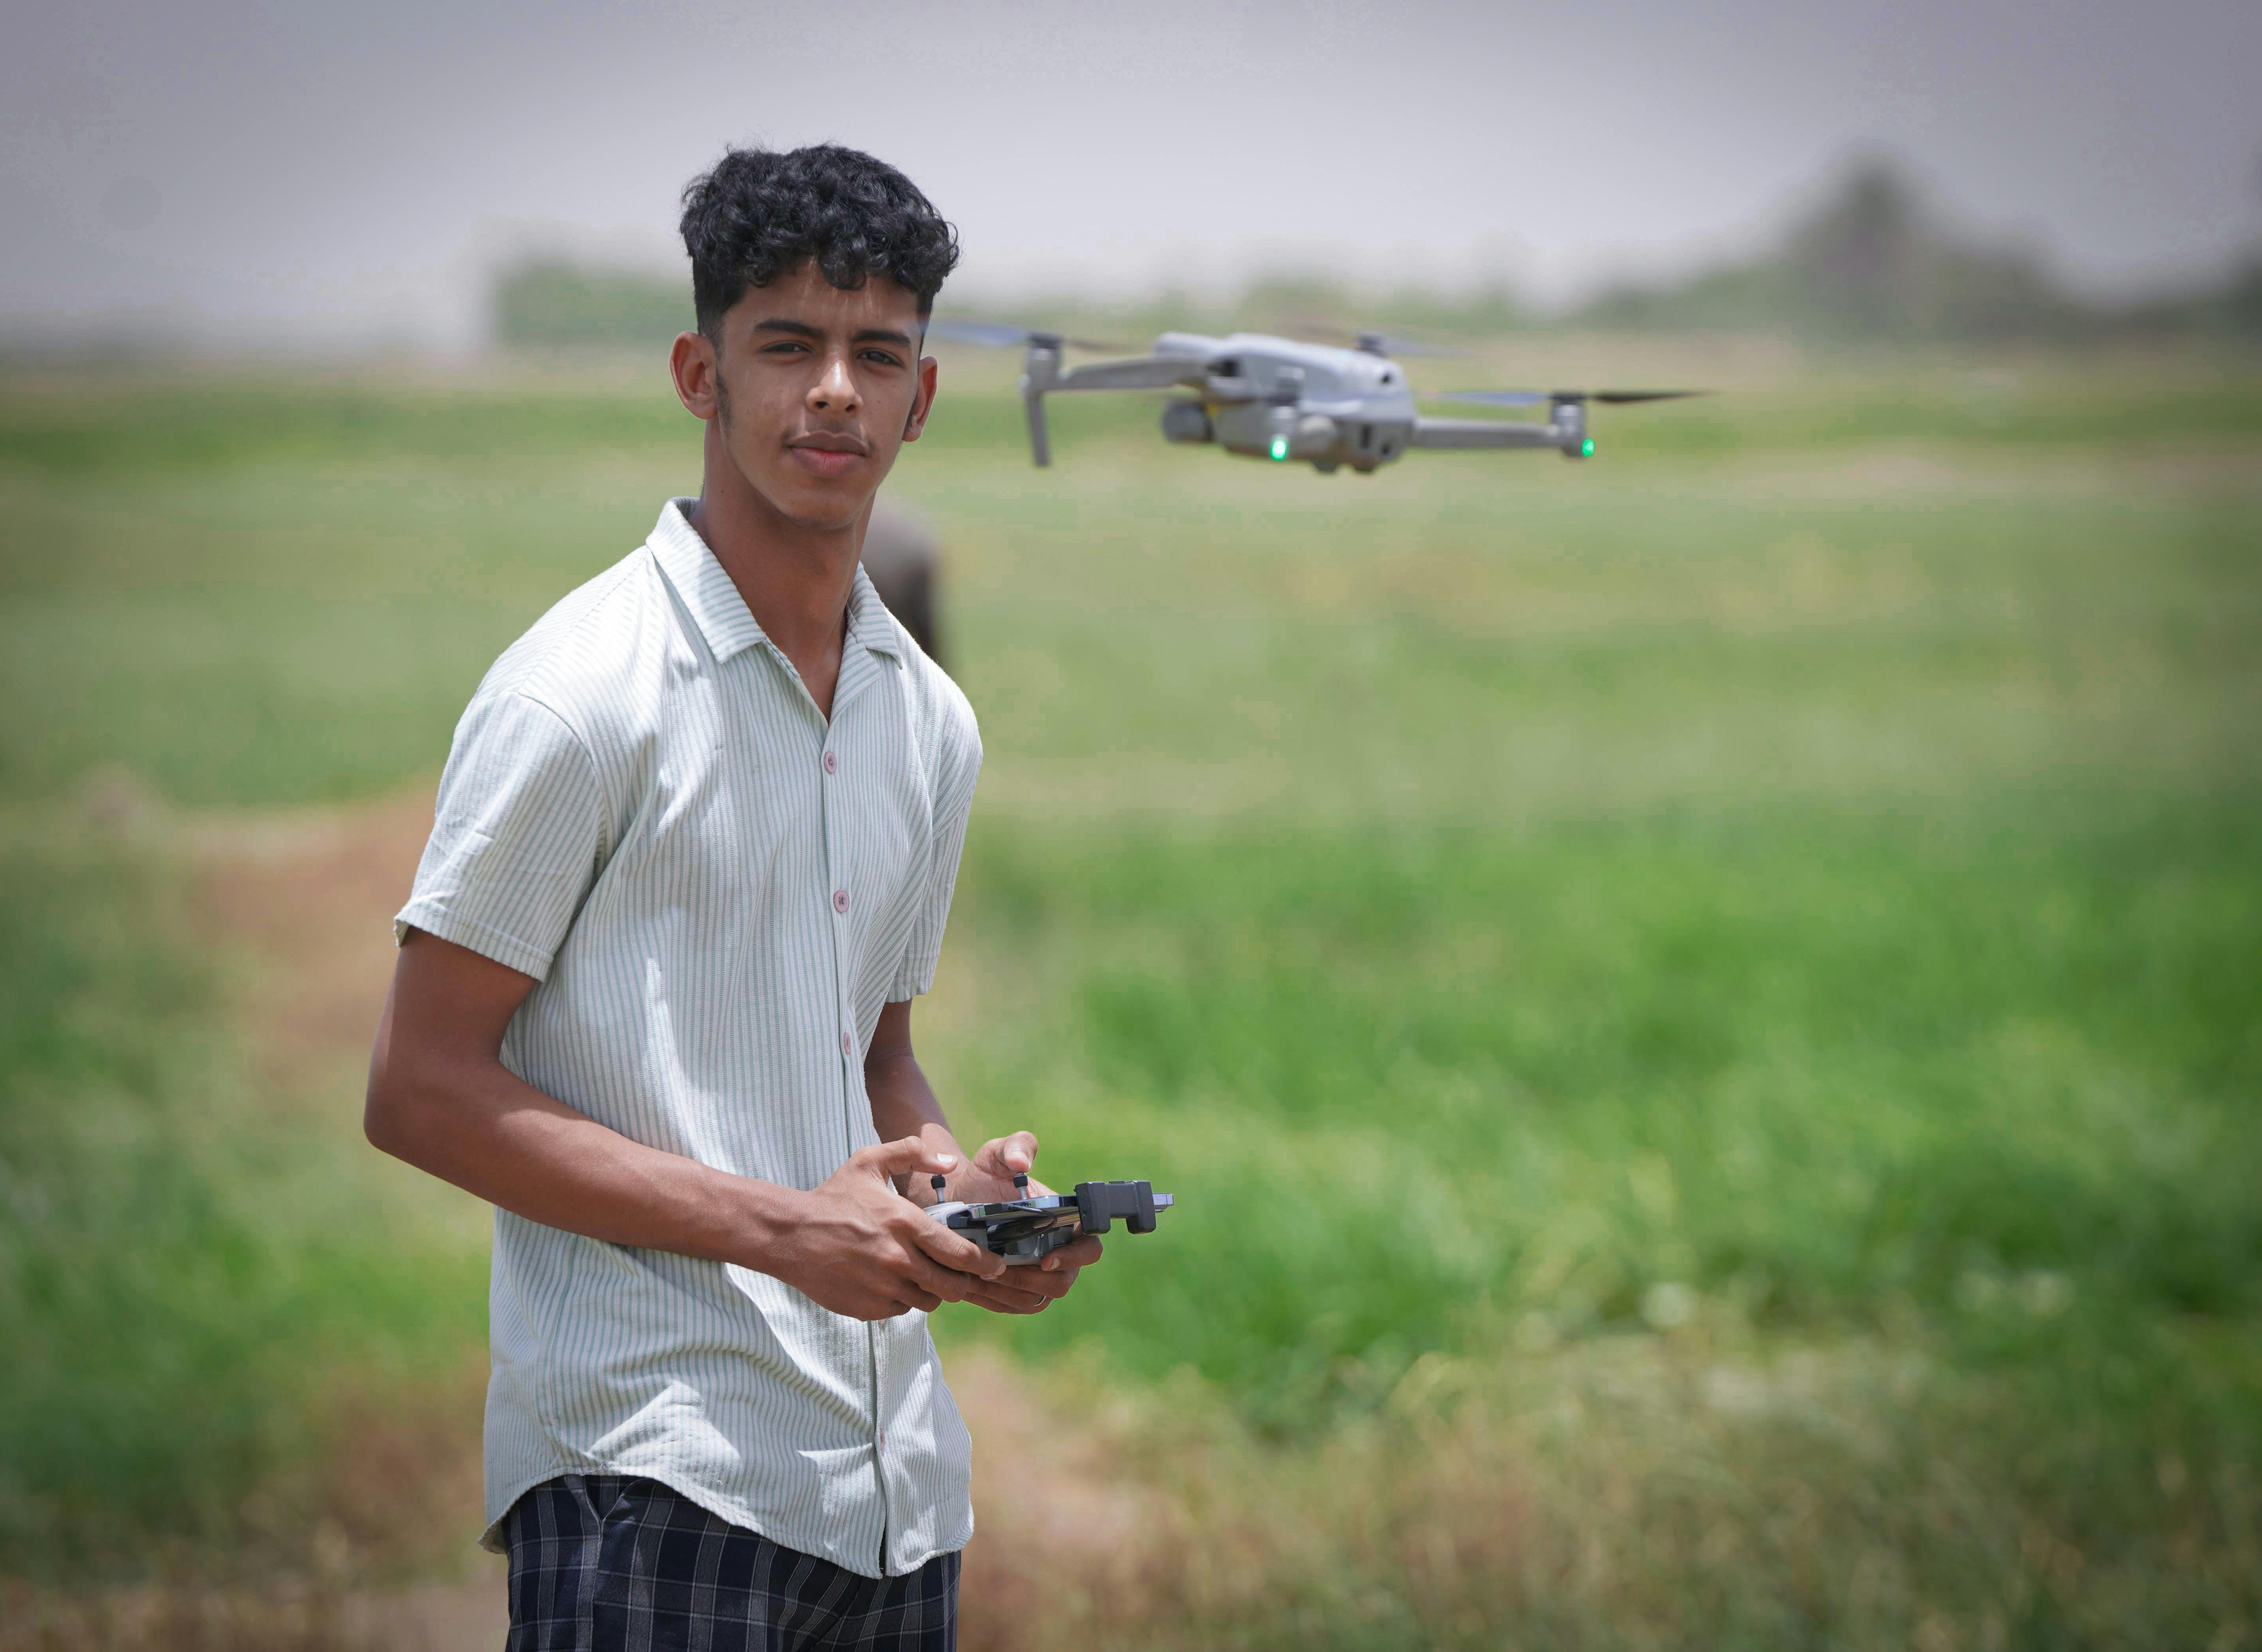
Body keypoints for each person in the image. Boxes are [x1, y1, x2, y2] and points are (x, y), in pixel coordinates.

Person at [363, 144, 1098, 1652]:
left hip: (892, 1495)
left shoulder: (927, 718)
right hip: (649, 1476)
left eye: (875, 353)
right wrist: (779, 1232)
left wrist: (966, 1205)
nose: (834, 389)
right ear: (702, 373)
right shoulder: (580, 697)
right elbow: (419, 1091)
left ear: (921, 397)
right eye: (788, 345)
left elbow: (875, 1053)